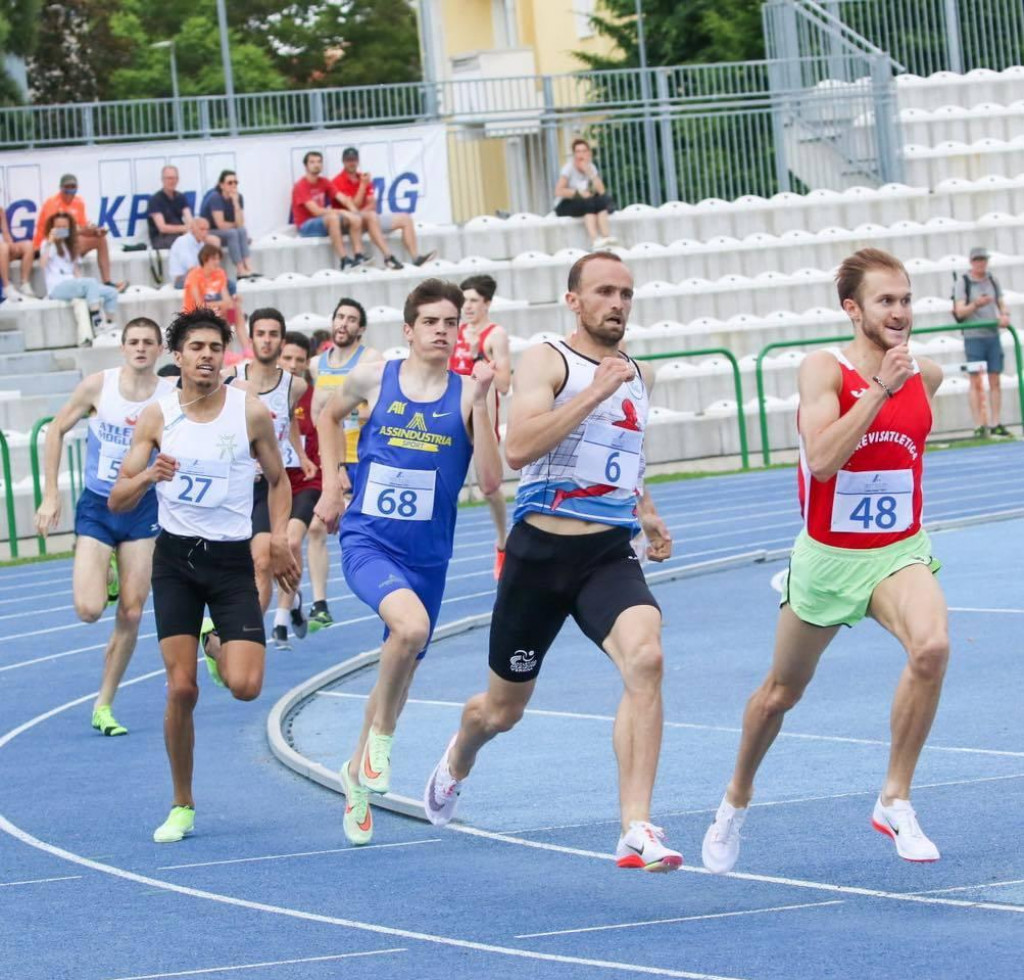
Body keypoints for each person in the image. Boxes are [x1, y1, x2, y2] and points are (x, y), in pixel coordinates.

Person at [423, 252, 682, 873]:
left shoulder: (639, 374)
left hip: (605, 553)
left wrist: (645, 511)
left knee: (646, 656)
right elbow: (518, 448)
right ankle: (462, 750)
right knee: (502, 711)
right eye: (604, 292)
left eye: (625, 293)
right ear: (574, 300)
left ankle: (635, 826)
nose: (617, 303)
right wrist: (594, 389)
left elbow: (625, 453)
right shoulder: (548, 358)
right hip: (539, 554)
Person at [701, 248, 949, 873]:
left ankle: (894, 798)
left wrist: (901, 388)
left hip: (897, 550)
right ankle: (735, 799)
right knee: (780, 694)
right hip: (829, 558)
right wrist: (879, 391)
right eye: (885, 301)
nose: (899, 312)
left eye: (906, 299)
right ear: (853, 309)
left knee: (932, 648)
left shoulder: (928, 375)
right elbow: (822, 460)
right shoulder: (824, 370)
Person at [314, 278, 502, 846]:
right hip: (369, 540)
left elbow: (492, 480)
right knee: (410, 628)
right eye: (431, 322)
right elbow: (326, 415)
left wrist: (489, 402)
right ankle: (383, 744)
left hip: (429, 558)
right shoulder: (376, 376)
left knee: (399, 659)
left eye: (451, 323)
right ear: (409, 330)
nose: (442, 331)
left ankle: (356, 775)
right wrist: (331, 484)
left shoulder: (470, 391)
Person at [109, 308, 300, 843]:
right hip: (175, 562)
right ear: (180, 355)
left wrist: (278, 535)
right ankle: (182, 803)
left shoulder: (250, 413)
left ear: (225, 355)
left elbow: (279, 480)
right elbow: (119, 499)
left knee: (245, 686)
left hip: (232, 561)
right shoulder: (157, 415)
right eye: (197, 347)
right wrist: (149, 474)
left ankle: (215, 644)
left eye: (215, 348)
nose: (207, 356)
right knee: (181, 689)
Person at [34, 318, 174, 737]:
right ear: (122, 347)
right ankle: (106, 572)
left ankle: (104, 703)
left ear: (161, 350)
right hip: (97, 504)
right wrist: (50, 494)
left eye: (149, 342)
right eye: (133, 342)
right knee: (90, 609)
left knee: (132, 610)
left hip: (142, 505)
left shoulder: (170, 396)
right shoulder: (100, 386)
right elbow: (56, 430)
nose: (141, 348)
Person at [218, 308, 314, 648]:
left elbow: (292, 421)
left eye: (274, 334)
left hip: (272, 484)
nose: (267, 340)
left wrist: (300, 455)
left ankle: (245, 639)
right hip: (233, 485)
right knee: (241, 565)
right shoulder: (229, 377)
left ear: (281, 340)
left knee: (263, 560)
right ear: (251, 338)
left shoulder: (295, 385)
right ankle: (295, 598)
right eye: (261, 333)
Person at [309, 297, 382, 628]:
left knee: (368, 529)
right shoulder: (316, 365)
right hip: (332, 459)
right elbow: (316, 416)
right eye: (339, 317)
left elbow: (376, 409)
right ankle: (319, 603)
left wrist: (351, 410)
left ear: (361, 329)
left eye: (351, 319)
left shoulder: (371, 360)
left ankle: (384, 591)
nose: (343, 323)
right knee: (317, 526)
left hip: (364, 458)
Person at [450, 274, 512, 578]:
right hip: (451, 413)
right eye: (464, 300)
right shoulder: (454, 330)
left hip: (482, 413)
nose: (467, 306)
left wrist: (478, 353)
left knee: (489, 488)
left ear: (487, 303)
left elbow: (503, 384)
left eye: (474, 300)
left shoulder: (494, 334)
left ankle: (503, 542)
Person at [272, 332, 331, 647]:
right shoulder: (262, 393)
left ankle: (280, 619)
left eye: (299, 360)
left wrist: (335, 472)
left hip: (307, 481)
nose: (293, 366)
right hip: (273, 484)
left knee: (293, 539)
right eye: (287, 359)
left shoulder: (313, 395)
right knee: (271, 550)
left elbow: (328, 435)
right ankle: (293, 602)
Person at [330, 147, 436, 270]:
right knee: (370, 216)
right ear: (343, 161)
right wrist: (363, 187)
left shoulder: (362, 178)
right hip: (349, 222)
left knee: (405, 218)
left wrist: (361, 213)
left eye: (354, 159)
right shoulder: (337, 181)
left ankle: (415, 257)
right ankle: (387, 255)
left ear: (358, 161)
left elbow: (372, 204)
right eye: (349, 160)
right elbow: (353, 206)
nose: (352, 163)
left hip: (366, 218)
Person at [953, 246, 1013, 438]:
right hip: (973, 337)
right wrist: (976, 304)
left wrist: (1004, 315)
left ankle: (995, 422)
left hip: (992, 335)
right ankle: (979, 424)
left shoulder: (992, 280)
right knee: (975, 380)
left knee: (995, 379)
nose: (981, 263)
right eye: (977, 260)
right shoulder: (963, 282)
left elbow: (1002, 303)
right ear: (972, 262)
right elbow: (959, 311)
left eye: (983, 260)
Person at [33, 173, 125, 289]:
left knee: (100, 239)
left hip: (69, 242)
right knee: (74, 239)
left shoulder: (79, 202)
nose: (70, 191)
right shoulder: (52, 203)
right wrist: (80, 231)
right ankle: (75, 280)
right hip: (49, 243)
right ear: (61, 188)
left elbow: (82, 228)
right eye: (67, 188)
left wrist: (94, 231)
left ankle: (107, 281)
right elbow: (52, 233)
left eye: (73, 188)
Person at [40, 212, 119, 344]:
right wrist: (50, 241)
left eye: (64, 227)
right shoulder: (48, 244)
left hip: (73, 284)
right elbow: (42, 264)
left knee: (111, 292)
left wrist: (83, 285)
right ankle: (98, 324)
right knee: (91, 282)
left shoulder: (70, 246)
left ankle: (107, 324)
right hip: (57, 287)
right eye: (58, 227)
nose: (61, 230)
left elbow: (75, 270)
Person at [292, 151, 362, 269]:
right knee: (333, 218)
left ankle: (359, 256)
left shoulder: (324, 181)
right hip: (306, 225)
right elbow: (316, 211)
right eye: (312, 162)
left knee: (353, 219)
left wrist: (354, 212)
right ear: (306, 166)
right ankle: (344, 260)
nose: (316, 165)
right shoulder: (300, 185)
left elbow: (343, 199)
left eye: (319, 162)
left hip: (322, 221)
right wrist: (343, 211)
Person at [553, 138, 616, 250]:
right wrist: (578, 194)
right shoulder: (568, 169)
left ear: (589, 153)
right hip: (565, 203)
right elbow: (559, 191)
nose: (581, 155)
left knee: (601, 201)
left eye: (584, 151)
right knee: (589, 203)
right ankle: (594, 240)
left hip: (585, 201)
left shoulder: (591, 167)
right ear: (574, 154)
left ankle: (606, 237)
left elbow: (601, 191)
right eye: (578, 151)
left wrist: (589, 173)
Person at [200, 170, 254, 279]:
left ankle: (248, 267)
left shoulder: (238, 197)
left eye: (235, 182)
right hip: (210, 231)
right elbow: (220, 225)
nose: (233, 185)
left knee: (242, 231)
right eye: (230, 183)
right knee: (233, 233)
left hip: (226, 230)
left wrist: (235, 203)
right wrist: (236, 225)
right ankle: (240, 269)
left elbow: (240, 224)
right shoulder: (215, 197)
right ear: (222, 185)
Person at [182, 243, 243, 332]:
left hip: (213, 310)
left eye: (218, 259)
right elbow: (198, 305)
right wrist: (221, 304)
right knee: (223, 312)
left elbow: (226, 298)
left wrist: (231, 301)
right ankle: (227, 337)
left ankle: (243, 344)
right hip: (194, 314)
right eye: (214, 259)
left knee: (235, 308)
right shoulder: (193, 275)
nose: (217, 262)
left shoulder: (220, 273)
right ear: (205, 259)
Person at [147, 166, 194, 250]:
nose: (172, 181)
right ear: (162, 180)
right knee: (184, 242)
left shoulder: (181, 197)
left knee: (203, 239)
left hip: (179, 234)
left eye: (174, 178)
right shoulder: (155, 200)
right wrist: (184, 228)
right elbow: (162, 228)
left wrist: (190, 228)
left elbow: (189, 219)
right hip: (160, 238)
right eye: (169, 178)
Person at [0, 204, 35, 298]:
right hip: (2, 248)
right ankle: (6, 287)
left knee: (28, 245)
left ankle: (25, 283)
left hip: (3, 248)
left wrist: (11, 244)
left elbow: (5, 232)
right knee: (3, 247)